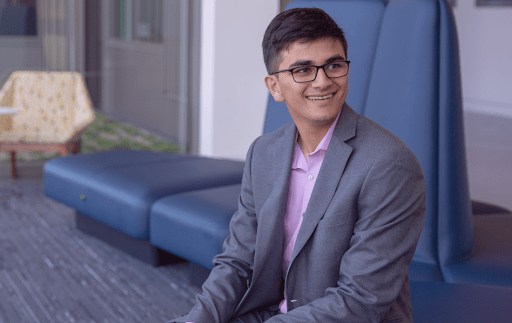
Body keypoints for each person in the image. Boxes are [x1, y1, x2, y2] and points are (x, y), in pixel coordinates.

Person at [171, 7, 425, 323]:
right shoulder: (263, 153)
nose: (323, 82)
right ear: (274, 86)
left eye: (334, 65)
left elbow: (360, 301)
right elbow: (238, 262)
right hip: (270, 311)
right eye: (303, 70)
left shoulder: (389, 164)